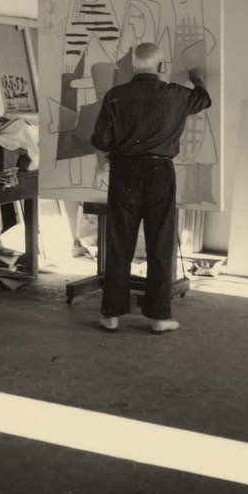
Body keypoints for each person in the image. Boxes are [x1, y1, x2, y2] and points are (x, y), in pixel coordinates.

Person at [90, 42, 211, 333]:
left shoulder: (116, 95)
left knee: (120, 241)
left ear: (132, 65)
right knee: (160, 243)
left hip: (125, 172)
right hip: (159, 173)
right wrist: (197, 79)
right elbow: (203, 100)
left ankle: (111, 315)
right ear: (160, 65)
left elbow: (100, 139)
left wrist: (114, 149)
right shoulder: (176, 94)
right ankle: (160, 317)